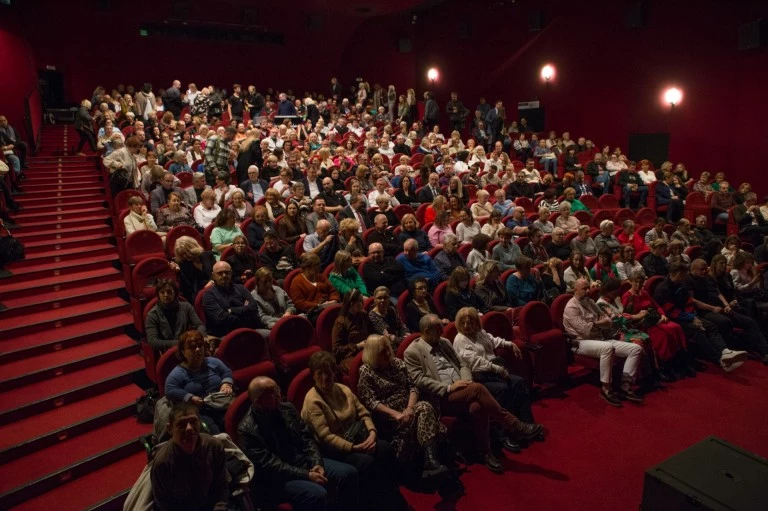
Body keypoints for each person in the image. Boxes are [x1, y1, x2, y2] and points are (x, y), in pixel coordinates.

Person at [404, 315, 543, 473]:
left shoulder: (444, 343)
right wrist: (449, 388)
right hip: (441, 396)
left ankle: (485, 453)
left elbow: (462, 364)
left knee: (478, 407)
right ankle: (514, 425)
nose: (443, 331)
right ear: (427, 331)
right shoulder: (412, 352)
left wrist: (466, 382)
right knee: (478, 389)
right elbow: (419, 380)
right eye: (438, 329)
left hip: (463, 388)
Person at [301, 351, 410, 511]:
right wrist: (354, 448)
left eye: (329, 372)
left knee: (385, 448)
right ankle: (375, 502)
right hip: (335, 448)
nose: (325, 378)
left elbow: (364, 413)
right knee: (366, 462)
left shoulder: (343, 389)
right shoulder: (312, 401)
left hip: (358, 437)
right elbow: (325, 436)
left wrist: (372, 433)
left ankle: (391, 496)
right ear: (313, 376)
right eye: (320, 374)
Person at [237, 377, 360, 511]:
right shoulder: (247, 429)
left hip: (305, 462)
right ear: (258, 401)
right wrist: (306, 475)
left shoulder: (287, 408)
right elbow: (271, 465)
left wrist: (316, 463)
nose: (279, 394)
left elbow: (307, 438)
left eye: (277, 389)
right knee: (318, 494)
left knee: (349, 473)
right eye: (272, 392)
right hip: (280, 478)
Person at [357, 334, 450, 480]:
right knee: (426, 410)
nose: (388, 354)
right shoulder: (366, 371)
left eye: (388, 349)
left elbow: (413, 387)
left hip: (409, 409)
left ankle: (431, 462)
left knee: (424, 407)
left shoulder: (398, 364)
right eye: (383, 352)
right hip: (390, 419)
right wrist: (396, 414)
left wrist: (410, 408)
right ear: (373, 354)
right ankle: (431, 460)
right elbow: (371, 402)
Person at [453, 307, 535, 450]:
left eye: (470, 322)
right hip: (479, 376)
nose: (466, 326)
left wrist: (510, 344)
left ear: (476, 323)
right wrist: (497, 369)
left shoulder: (480, 332)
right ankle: (504, 434)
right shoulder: (460, 339)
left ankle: (527, 425)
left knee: (519, 382)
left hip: (494, 371)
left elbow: (493, 340)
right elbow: (475, 361)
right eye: (463, 323)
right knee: (502, 390)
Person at [653, 262, 748, 372]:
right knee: (697, 330)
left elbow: (688, 303)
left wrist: (694, 316)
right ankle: (720, 360)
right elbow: (670, 311)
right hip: (673, 319)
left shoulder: (681, 285)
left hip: (687, 316)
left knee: (710, 326)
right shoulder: (662, 289)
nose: (686, 277)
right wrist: (691, 318)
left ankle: (725, 351)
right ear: (679, 273)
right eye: (684, 274)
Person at [563, 279, 644, 406]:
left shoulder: (590, 302)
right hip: (581, 342)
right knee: (608, 347)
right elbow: (585, 331)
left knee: (635, 349)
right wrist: (600, 323)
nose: (588, 291)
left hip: (600, 338)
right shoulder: (571, 307)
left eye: (588, 287)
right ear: (575, 290)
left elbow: (608, 320)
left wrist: (597, 323)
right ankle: (606, 389)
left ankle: (625, 386)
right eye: (585, 288)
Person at [151, 401, 229, 511]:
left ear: (200, 423)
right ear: (170, 429)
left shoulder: (214, 446)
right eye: (181, 424)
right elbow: (165, 505)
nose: (189, 428)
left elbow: (221, 485)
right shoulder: (162, 463)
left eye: (193, 422)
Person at [688, 258, 768, 363]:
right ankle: (730, 351)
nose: (704, 271)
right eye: (701, 270)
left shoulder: (708, 277)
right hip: (704, 311)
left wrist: (726, 305)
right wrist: (712, 308)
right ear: (693, 269)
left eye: (705, 269)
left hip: (719, 307)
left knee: (749, 322)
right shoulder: (688, 280)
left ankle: (764, 351)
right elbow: (693, 300)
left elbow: (718, 293)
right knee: (724, 322)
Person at [622, 269, 697, 381]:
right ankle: (664, 367)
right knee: (664, 334)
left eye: (641, 282)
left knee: (676, 327)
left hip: (655, 320)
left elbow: (657, 306)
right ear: (631, 282)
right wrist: (638, 315)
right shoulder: (627, 296)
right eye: (635, 282)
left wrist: (662, 315)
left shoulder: (645, 293)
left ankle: (680, 363)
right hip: (642, 325)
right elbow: (625, 315)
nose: (638, 285)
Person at [165, 330, 234, 433]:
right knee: (215, 433)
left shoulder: (212, 362)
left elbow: (226, 372)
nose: (197, 349)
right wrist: (189, 397)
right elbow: (169, 390)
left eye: (200, 345)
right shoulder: (178, 373)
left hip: (221, 404)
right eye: (192, 347)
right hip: (200, 412)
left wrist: (226, 383)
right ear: (183, 352)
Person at [202, 261, 267, 338]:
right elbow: (222, 318)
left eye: (227, 272)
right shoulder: (209, 295)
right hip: (226, 334)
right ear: (213, 276)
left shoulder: (241, 288)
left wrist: (231, 310)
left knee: (270, 335)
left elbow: (253, 307)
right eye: (220, 273)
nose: (224, 275)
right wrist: (245, 311)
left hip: (249, 329)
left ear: (231, 273)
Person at [145, 279, 206, 351]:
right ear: (158, 295)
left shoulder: (186, 306)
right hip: (168, 351)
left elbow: (200, 325)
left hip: (189, 347)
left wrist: (197, 338)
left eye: (169, 292)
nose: (166, 295)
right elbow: (153, 342)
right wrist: (181, 343)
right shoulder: (152, 315)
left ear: (175, 293)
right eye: (162, 292)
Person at [289, 253, 341, 321]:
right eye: (316, 266)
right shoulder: (297, 281)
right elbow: (299, 303)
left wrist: (334, 300)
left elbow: (333, 290)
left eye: (319, 265)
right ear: (307, 267)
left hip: (329, 306)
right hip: (312, 312)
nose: (319, 268)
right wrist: (318, 305)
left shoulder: (321, 277)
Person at [171, 236, 216, 301]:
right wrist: (179, 273)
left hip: (216, 287)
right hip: (200, 295)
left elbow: (217, 273)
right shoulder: (183, 264)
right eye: (182, 254)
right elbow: (188, 289)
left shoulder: (208, 256)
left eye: (186, 253)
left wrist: (211, 282)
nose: (185, 256)